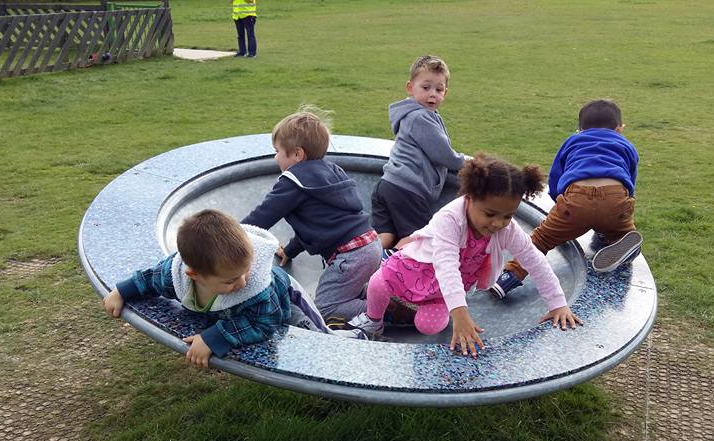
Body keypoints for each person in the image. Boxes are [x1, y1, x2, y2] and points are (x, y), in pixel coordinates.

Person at [347, 153, 582, 356]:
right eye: (490, 214)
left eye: (508, 215)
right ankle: (374, 320)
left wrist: (558, 303)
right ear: (469, 199)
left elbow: (534, 260)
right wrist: (460, 314)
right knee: (378, 284)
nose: (498, 223)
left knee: (429, 326)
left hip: (441, 290)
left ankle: (401, 311)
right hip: (418, 267)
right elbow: (446, 264)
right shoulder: (450, 218)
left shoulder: (506, 228)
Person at [490, 99, 643, 300]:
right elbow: (629, 179)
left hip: (576, 199)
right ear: (619, 129)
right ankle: (622, 241)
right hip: (615, 198)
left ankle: (510, 276)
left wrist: (559, 203)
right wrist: (623, 204)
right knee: (621, 230)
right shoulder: (626, 145)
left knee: (542, 239)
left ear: (579, 129)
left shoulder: (573, 141)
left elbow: (556, 176)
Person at [102, 209, 292, 367]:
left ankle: (319, 329)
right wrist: (122, 292)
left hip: (284, 300)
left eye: (246, 271)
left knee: (305, 324)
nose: (242, 283)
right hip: (234, 311)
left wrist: (218, 337)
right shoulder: (173, 276)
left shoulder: (257, 289)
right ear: (194, 276)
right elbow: (150, 278)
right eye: (230, 281)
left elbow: (265, 323)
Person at [242, 107, 381, 323]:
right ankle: (382, 294)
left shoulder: (292, 181)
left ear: (297, 154)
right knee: (347, 292)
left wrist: (233, 235)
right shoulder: (332, 171)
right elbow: (320, 226)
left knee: (326, 308)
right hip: (370, 245)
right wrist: (290, 250)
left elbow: (263, 216)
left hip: (350, 256)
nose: (275, 156)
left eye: (277, 150)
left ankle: (385, 308)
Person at [371, 55, 468, 258]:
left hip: (388, 185)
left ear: (445, 93)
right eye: (426, 88)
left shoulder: (411, 114)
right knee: (417, 238)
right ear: (410, 87)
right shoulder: (420, 117)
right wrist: (468, 163)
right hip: (408, 189)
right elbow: (443, 155)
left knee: (386, 234)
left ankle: (365, 258)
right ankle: (388, 266)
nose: (432, 94)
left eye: (438, 90)